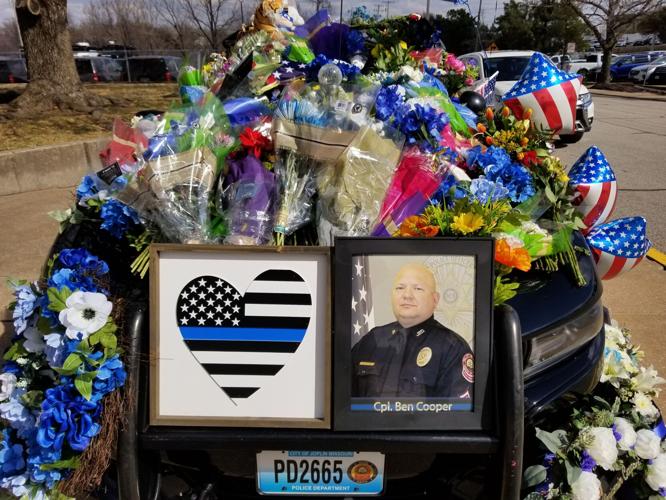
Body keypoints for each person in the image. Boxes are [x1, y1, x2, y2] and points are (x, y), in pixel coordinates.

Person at [351, 263, 474, 399]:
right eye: (400, 288)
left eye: (418, 289)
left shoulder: (452, 349)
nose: (407, 295)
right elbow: (343, 404)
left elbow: (457, 416)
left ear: (435, 299)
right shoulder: (371, 340)